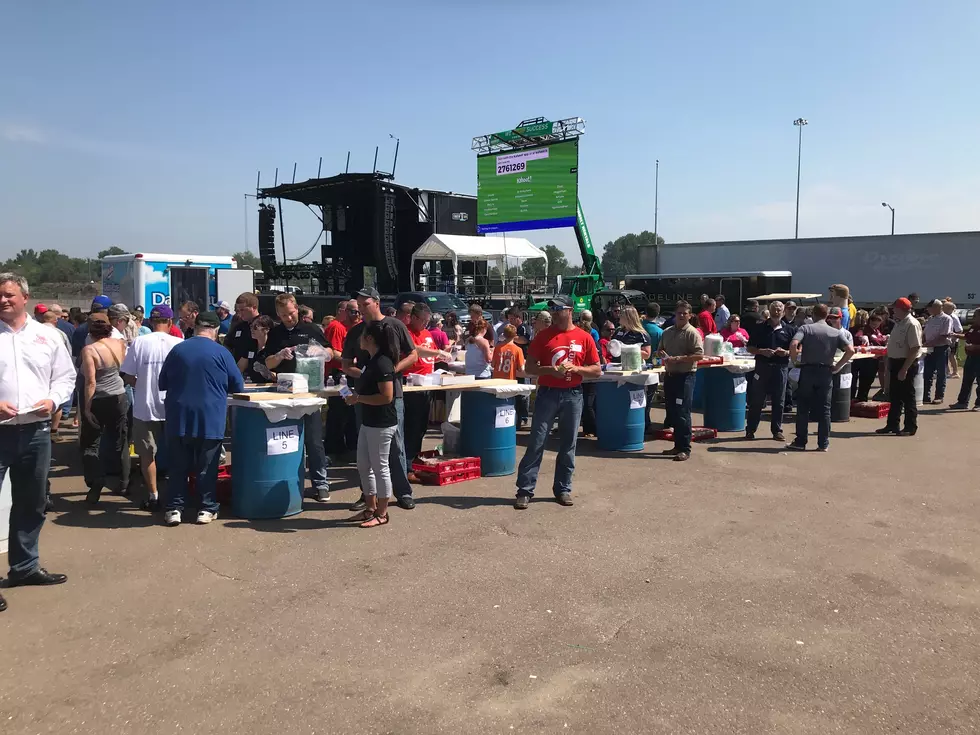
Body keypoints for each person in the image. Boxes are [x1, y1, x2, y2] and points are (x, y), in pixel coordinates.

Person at [0, 273, 75, 611]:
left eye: (9, 295)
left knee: (31, 502)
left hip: (36, 430)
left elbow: (66, 376)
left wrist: (54, 399)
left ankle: (25, 567)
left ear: (25, 297)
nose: (3, 300)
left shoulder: (48, 336)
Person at [514, 295, 601, 509]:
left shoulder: (584, 337)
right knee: (536, 441)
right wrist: (550, 370)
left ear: (570, 310)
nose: (554, 313)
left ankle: (563, 488)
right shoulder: (543, 336)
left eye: (558, 309)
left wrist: (577, 369)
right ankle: (525, 490)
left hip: (573, 394)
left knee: (568, 444)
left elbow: (597, 370)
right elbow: (530, 369)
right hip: (548, 393)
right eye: (552, 309)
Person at [159, 312, 243, 525]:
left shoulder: (177, 350)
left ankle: (174, 509)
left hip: (178, 416)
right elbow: (238, 386)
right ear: (215, 330)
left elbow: (162, 382)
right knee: (207, 466)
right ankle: (206, 508)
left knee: (178, 465)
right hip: (210, 417)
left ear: (195, 328)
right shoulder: (222, 353)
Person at [342, 287, 418, 510]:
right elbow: (347, 364)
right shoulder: (356, 332)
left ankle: (403, 491)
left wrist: (392, 371)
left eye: (365, 305)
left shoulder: (395, 325)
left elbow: (413, 354)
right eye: (358, 306)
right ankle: (368, 495)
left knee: (396, 445)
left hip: (393, 394)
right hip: (362, 396)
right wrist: (366, 375)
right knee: (366, 449)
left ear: (376, 303)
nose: (361, 310)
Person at [264, 293, 334, 502]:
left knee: (314, 440)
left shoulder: (311, 329)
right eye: (284, 315)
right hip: (286, 393)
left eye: (291, 313)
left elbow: (331, 351)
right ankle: (288, 483)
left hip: (309, 392)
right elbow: (267, 363)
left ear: (298, 309)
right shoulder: (275, 334)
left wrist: (320, 351)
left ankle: (320, 483)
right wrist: (279, 356)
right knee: (288, 439)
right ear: (278, 314)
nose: (288, 318)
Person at [120, 305, 183, 512]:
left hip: (145, 406)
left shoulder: (139, 342)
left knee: (147, 454)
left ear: (150, 322)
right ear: (170, 322)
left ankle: (153, 495)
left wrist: (144, 384)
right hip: (173, 405)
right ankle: (176, 496)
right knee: (177, 452)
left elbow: (128, 375)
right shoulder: (178, 343)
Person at [344, 320, 399, 528]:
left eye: (362, 335)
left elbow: (386, 397)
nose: (359, 339)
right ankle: (370, 508)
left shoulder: (383, 362)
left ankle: (382, 513)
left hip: (382, 423)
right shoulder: (370, 359)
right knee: (364, 466)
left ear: (369, 339)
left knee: (380, 467)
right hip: (369, 421)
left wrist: (358, 398)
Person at [786, 303, 855, 452]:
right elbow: (850, 350)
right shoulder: (835, 332)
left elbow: (794, 343)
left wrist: (795, 361)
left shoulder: (805, 328)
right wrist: (839, 366)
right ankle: (823, 443)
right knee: (825, 409)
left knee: (803, 407)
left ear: (814, 314)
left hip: (808, 370)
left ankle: (800, 441)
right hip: (826, 371)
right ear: (827, 315)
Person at [79, 313, 131, 504]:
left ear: (91, 333)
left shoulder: (89, 350)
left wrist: (86, 407)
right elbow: (123, 369)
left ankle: (96, 480)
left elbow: (90, 382)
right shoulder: (119, 344)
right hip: (119, 395)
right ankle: (124, 481)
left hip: (99, 398)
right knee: (121, 440)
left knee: (91, 443)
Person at [657, 301, 705, 461]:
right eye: (679, 313)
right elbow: (659, 351)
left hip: (685, 377)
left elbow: (699, 355)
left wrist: (681, 359)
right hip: (670, 377)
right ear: (675, 314)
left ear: (690, 315)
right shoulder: (667, 332)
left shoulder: (692, 333)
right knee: (673, 412)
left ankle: (685, 448)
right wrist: (661, 354)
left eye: (685, 313)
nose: (682, 316)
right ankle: (677, 446)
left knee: (683, 413)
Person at [402, 302, 443, 472]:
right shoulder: (407, 331)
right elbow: (415, 350)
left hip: (427, 382)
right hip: (411, 383)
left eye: (428, 321)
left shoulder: (426, 333)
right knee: (411, 426)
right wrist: (438, 353)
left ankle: (414, 459)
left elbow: (430, 354)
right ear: (413, 317)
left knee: (421, 426)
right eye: (423, 321)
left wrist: (442, 357)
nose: (426, 324)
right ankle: (407, 465)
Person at [746, 300, 795, 441]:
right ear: (769, 309)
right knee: (757, 400)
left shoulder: (790, 329)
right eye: (774, 308)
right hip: (762, 367)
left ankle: (777, 431)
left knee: (779, 400)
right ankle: (750, 430)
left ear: (784, 310)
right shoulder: (760, 327)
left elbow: (798, 348)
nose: (777, 310)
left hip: (781, 368)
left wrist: (786, 352)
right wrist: (761, 351)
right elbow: (750, 348)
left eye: (780, 308)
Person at [876, 297, 923, 436]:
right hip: (896, 362)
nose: (892, 310)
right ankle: (892, 424)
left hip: (905, 363)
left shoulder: (911, 324)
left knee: (908, 396)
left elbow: (915, 348)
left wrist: (904, 369)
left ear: (901, 309)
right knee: (895, 396)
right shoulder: (899, 322)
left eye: (895, 308)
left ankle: (910, 427)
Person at [324, 299, 359, 457]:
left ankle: (349, 445)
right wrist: (353, 360)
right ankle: (335, 447)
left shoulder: (355, 327)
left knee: (350, 410)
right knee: (339, 409)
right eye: (352, 312)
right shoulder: (337, 327)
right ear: (343, 311)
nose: (357, 315)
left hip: (349, 374)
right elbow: (334, 351)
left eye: (358, 312)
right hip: (338, 377)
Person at [921, 299, 953, 405]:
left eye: (930, 308)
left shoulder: (946, 319)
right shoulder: (930, 319)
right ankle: (926, 395)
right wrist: (923, 342)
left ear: (937, 307)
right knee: (928, 373)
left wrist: (930, 343)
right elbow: (925, 333)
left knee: (941, 373)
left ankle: (939, 396)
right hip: (929, 349)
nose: (928, 311)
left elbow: (944, 336)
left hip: (941, 348)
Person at [949, 308, 980, 410]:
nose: (973, 317)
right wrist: (955, 335)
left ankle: (978, 404)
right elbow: (967, 336)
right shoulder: (973, 327)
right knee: (967, 380)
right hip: (971, 357)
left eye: (975, 316)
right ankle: (962, 402)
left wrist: (975, 347)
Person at [227, 292, 261, 372]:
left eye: (242, 310)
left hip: (256, 371)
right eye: (238, 310)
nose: (240, 313)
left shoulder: (264, 324)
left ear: (254, 307)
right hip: (238, 370)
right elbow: (229, 343)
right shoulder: (239, 326)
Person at [242, 315, 275, 383]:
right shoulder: (251, 346)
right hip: (252, 384)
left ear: (266, 329)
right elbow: (240, 367)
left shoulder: (273, 348)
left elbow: (279, 375)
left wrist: (266, 373)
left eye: (255, 327)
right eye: (251, 326)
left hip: (269, 386)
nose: (251, 330)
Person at [943, 301, 963, 379]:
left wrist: (954, 339)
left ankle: (955, 372)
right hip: (946, 340)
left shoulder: (953, 317)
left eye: (944, 307)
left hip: (953, 340)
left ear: (949, 309)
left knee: (951, 356)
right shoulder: (945, 316)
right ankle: (947, 371)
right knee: (945, 356)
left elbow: (959, 330)